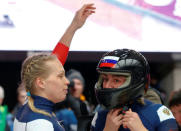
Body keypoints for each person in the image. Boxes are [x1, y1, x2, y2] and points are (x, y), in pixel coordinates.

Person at [13, 4, 95, 131]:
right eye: (60, 76)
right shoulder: (40, 124)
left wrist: (74, 26)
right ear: (41, 82)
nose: (67, 81)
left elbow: (54, 63)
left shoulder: (29, 103)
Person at [91, 49, 178, 131]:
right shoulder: (100, 115)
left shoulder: (160, 113)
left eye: (116, 80)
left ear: (135, 82)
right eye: (105, 79)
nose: (107, 86)